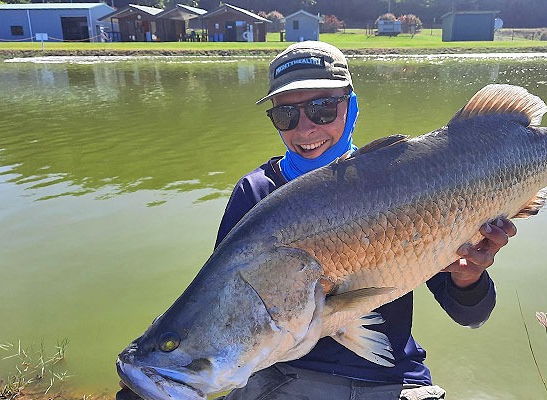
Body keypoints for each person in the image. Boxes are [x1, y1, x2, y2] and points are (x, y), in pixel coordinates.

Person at [215, 41, 517, 400]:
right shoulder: (256, 192)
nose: (306, 129)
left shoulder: (404, 178)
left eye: (323, 109)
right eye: (286, 116)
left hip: (394, 379)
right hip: (287, 376)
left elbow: (471, 316)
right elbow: (224, 307)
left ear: (351, 106)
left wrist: (469, 278)